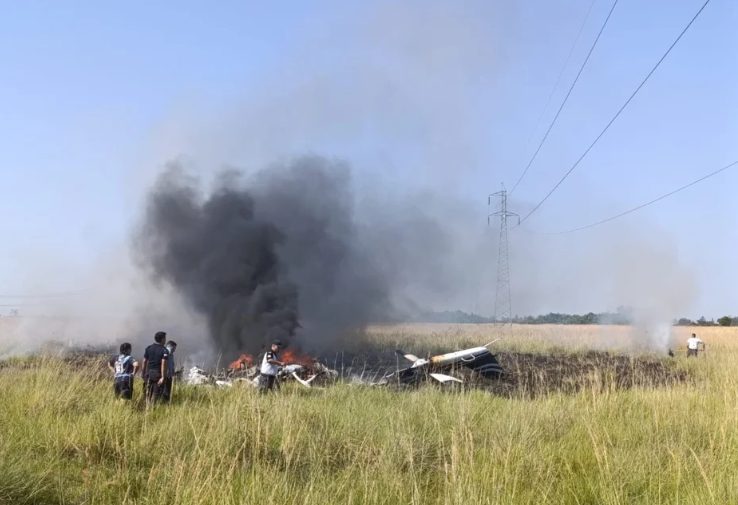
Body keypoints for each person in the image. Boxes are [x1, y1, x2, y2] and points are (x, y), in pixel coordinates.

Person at [142, 331, 170, 403]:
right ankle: (152, 410)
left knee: (148, 393)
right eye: (165, 338)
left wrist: (143, 373)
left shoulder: (149, 348)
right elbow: (163, 363)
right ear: (162, 339)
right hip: (157, 374)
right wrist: (163, 377)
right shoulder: (164, 350)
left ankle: (147, 410)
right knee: (156, 394)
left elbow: (144, 361)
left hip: (148, 373)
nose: (165, 340)